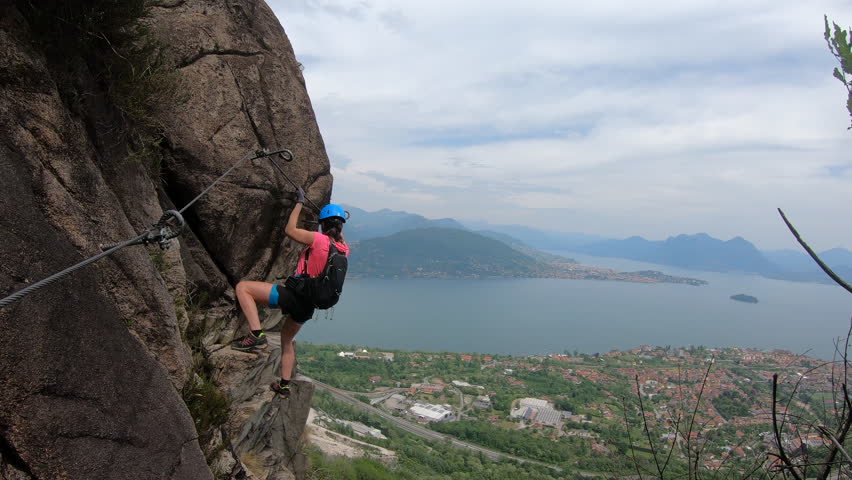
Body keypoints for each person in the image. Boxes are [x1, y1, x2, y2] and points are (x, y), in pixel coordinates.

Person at [230, 187, 350, 399]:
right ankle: (284, 386)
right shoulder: (343, 249)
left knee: (244, 288)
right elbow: (336, 237)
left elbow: (290, 230)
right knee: (287, 341)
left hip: (293, 296)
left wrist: (299, 203)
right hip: (308, 306)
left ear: (323, 224)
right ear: (340, 226)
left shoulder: (318, 240)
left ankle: (256, 334)